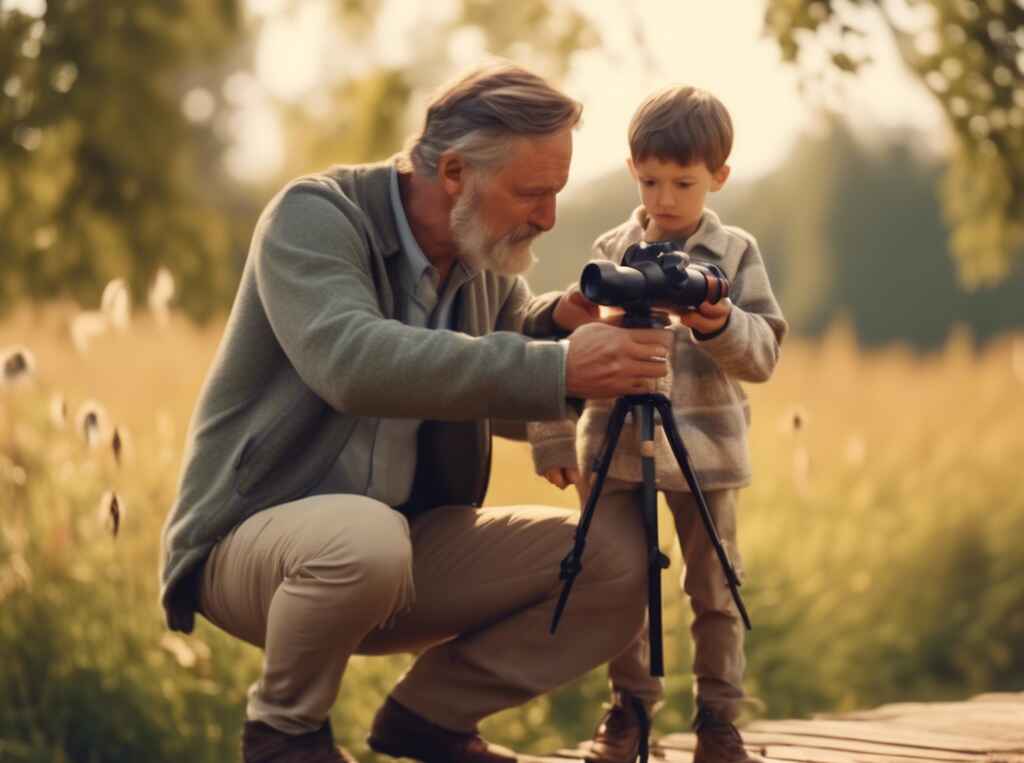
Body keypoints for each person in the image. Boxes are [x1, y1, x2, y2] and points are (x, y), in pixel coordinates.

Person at [158, 62, 678, 763]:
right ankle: (283, 734)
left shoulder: (481, 251)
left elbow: (499, 382)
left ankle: (430, 719)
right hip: (252, 544)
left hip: (401, 546)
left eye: (556, 192)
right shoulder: (312, 217)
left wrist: (560, 326)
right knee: (363, 539)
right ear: (456, 172)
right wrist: (553, 366)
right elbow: (353, 363)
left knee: (619, 561)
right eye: (532, 192)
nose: (549, 217)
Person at [528, 85, 788, 763]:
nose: (664, 198)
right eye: (648, 180)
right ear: (631, 170)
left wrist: (720, 322)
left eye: (683, 182)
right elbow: (561, 353)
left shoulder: (733, 253)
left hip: (707, 451)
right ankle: (629, 713)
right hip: (612, 448)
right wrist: (555, 437)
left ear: (718, 178)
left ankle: (719, 721)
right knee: (618, 582)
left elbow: (764, 355)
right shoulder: (611, 250)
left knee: (714, 586)